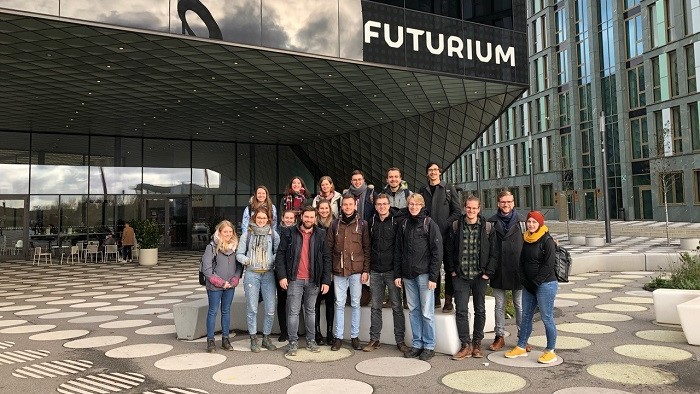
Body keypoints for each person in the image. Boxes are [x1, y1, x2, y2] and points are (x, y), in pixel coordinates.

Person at [275, 205, 332, 356]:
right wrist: (282, 276)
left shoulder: (320, 234)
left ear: (315, 218)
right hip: (294, 279)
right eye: (306, 216)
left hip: (313, 280)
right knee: (293, 312)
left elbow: (326, 258)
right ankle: (293, 342)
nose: (309, 219)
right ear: (301, 217)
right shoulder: (289, 232)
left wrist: (326, 280)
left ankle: (311, 340)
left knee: (311, 311)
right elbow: (280, 256)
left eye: (312, 217)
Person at [505, 211, 558, 364]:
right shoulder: (526, 239)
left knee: (546, 317)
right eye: (529, 222)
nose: (531, 225)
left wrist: (535, 282)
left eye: (534, 222)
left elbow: (548, 265)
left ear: (540, 223)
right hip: (528, 285)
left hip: (546, 284)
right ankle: (521, 346)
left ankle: (550, 350)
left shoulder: (546, 240)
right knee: (526, 316)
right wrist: (525, 281)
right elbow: (521, 262)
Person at [394, 194, 442, 361]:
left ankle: (429, 346)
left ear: (422, 206)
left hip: (424, 275)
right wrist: (398, 274)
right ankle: (417, 344)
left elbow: (437, 252)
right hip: (408, 276)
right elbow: (398, 251)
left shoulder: (429, 224)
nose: (413, 207)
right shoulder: (404, 224)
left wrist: (433, 277)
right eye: (411, 204)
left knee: (427, 312)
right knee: (414, 311)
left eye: (416, 204)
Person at [446, 195, 493, 360]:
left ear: (479, 209)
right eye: (468, 207)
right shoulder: (456, 225)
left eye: (474, 208)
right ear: (465, 208)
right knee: (461, 310)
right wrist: (452, 270)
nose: (471, 210)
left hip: (480, 276)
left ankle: (477, 343)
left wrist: (488, 272)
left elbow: (493, 252)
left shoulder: (487, 227)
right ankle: (465, 344)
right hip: (461, 276)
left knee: (480, 309)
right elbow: (449, 249)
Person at [364, 193, 409, 353]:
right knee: (375, 307)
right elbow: (367, 247)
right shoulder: (371, 222)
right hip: (375, 271)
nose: (382, 206)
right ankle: (374, 339)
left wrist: (399, 273)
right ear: (375, 206)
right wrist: (367, 269)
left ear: (389, 205)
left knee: (397, 307)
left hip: (392, 271)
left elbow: (400, 249)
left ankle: (400, 340)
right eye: (379, 204)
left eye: (384, 204)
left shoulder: (397, 222)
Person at [328, 193, 370, 351]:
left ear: (355, 205)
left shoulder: (362, 224)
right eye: (345, 204)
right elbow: (329, 249)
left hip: (356, 271)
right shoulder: (334, 225)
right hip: (339, 270)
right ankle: (338, 337)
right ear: (341, 206)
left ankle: (354, 337)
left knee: (355, 303)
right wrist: (330, 271)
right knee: (339, 303)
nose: (347, 207)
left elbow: (366, 249)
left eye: (350, 204)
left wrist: (366, 270)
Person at [419, 162, 461, 312]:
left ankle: (448, 300)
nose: (433, 172)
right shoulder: (422, 190)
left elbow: (457, 211)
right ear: (427, 173)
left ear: (440, 172)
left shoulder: (448, 189)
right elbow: (420, 211)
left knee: (449, 268)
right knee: (432, 267)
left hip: (447, 235)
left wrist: (445, 224)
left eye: (436, 170)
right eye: (430, 170)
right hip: (428, 236)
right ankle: (435, 298)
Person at [237, 207, 280, 353]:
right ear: (254, 219)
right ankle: (253, 338)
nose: (261, 220)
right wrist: (248, 260)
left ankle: (266, 338)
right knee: (252, 308)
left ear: (268, 219)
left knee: (270, 309)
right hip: (252, 274)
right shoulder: (246, 235)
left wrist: (270, 260)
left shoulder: (273, 234)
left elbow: (278, 253)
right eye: (259, 218)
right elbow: (239, 254)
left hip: (268, 275)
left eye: (264, 218)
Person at [487, 190, 526, 352]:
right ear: (498, 203)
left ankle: (523, 337)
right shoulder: (491, 222)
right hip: (498, 269)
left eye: (509, 202)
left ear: (513, 203)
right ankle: (499, 336)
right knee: (499, 305)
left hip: (518, 269)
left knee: (520, 305)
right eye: (503, 202)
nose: (506, 205)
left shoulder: (523, 221)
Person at [201, 220, 242, 353]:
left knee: (226, 311)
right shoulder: (211, 247)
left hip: (230, 285)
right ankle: (211, 340)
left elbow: (239, 266)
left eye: (230, 231)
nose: (228, 234)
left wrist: (235, 279)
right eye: (225, 231)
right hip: (215, 286)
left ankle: (225, 339)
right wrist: (220, 282)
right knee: (213, 311)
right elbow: (207, 270)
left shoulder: (236, 247)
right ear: (219, 232)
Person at [314, 199, 336, 345]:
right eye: (321, 208)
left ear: (330, 209)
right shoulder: (313, 225)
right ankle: (317, 332)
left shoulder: (335, 224)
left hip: (330, 267)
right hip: (315, 269)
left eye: (326, 208)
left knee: (329, 302)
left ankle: (329, 333)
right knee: (314, 303)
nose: (323, 211)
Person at [275, 210, 297, 342]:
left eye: (291, 218)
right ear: (282, 218)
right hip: (280, 272)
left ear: (294, 219)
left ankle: (294, 330)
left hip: (294, 272)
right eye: (286, 217)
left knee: (294, 303)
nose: (288, 220)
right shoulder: (276, 232)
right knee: (282, 301)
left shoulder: (297, 232)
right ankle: (284, 331)